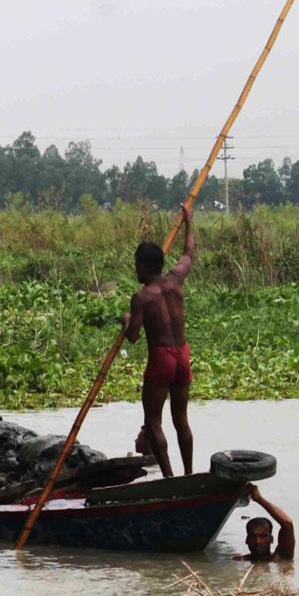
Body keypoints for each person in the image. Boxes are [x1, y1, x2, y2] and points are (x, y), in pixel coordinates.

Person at [123, 202, 195, 477]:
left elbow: (132, 337)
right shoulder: (176, 280)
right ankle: (188, 474)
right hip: (182, 354)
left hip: (162, 358)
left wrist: (127, 318)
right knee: (182, 421)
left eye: (136, 266)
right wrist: (189, 221)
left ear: (143, 265)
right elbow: (189, 252)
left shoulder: (142, 297)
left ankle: (169, 478)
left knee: (153, 422)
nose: (135, 271)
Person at [233, 484, 294, 562]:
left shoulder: (280, 557)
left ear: (271, 539)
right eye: (253, 537)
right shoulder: (239, 561)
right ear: (247, 540)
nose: (257, 542)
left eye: (263, 536)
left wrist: (259, 499)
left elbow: (287, 523)